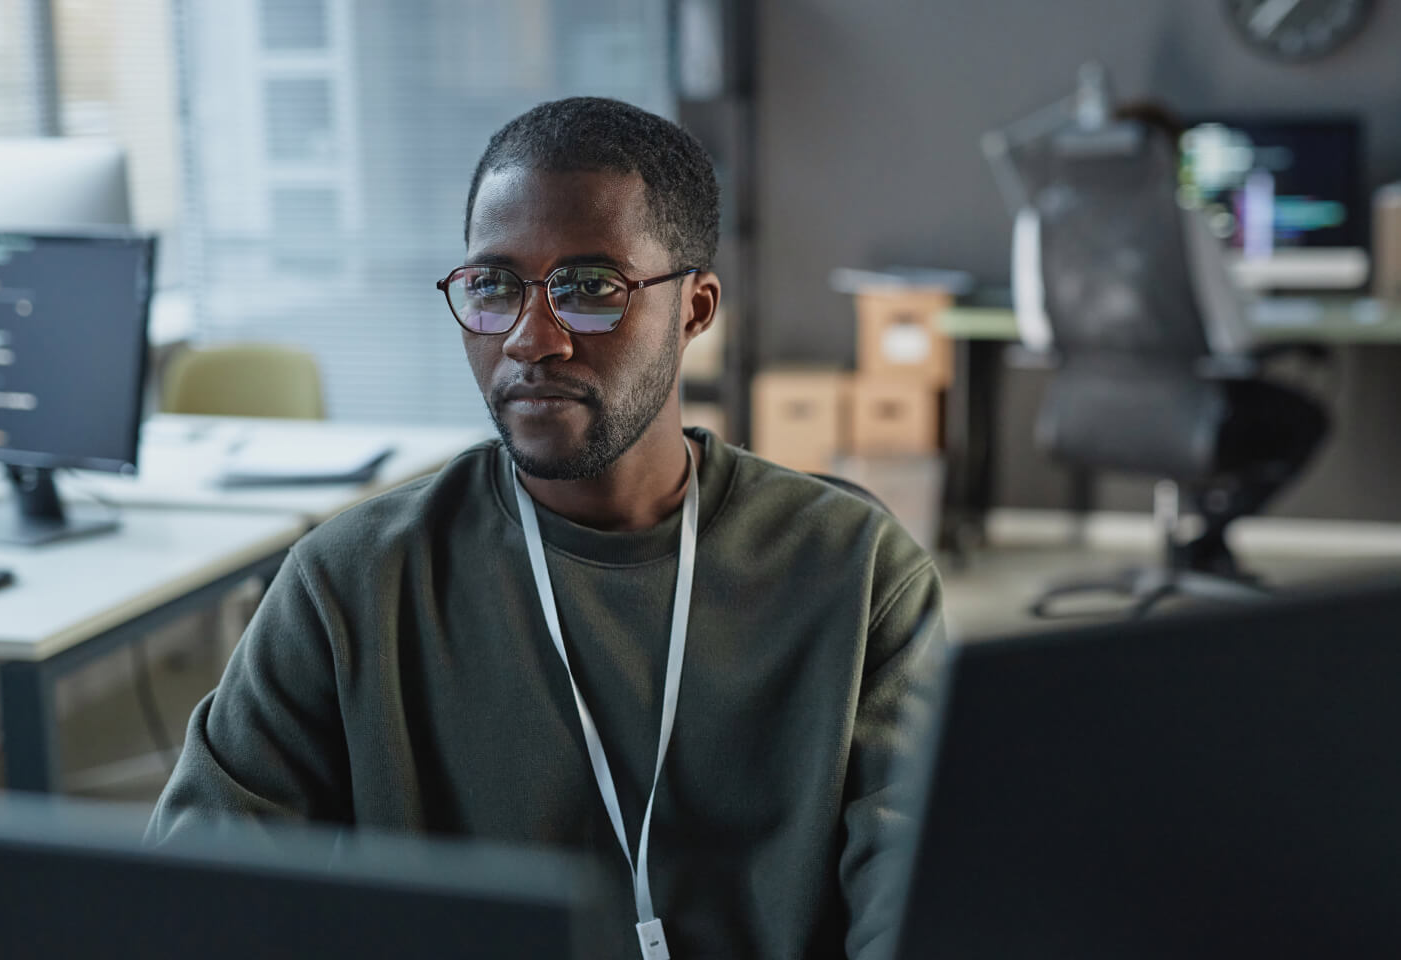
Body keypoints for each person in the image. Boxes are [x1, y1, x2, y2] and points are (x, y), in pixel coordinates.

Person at [148, 97, 945, 959]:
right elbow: (190, 905)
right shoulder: (350, 587)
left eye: (591, 288)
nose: (533, 340)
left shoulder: (854, 572)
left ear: (695, 309)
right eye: (494, 287)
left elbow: (930, 901)